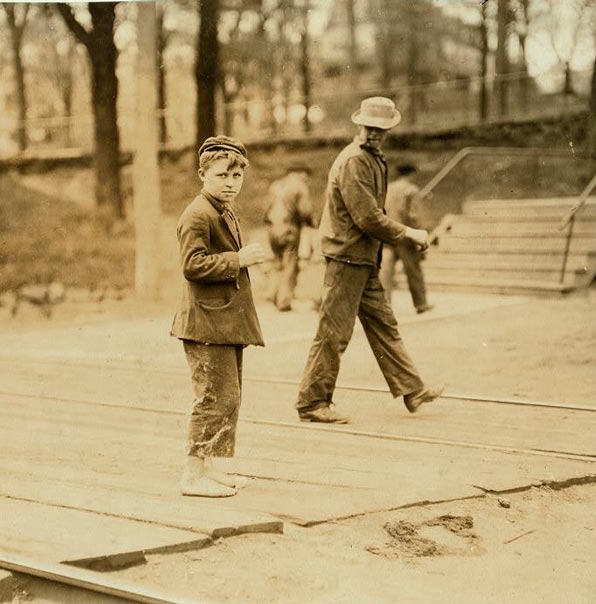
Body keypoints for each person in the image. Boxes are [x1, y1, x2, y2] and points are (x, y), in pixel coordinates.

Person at [295, 97, 443, 424]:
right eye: (370, 128)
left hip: (362, 258)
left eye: (382, 129)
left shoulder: (373, 158)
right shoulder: (354, 162)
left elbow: (374, 215)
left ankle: (412, 389)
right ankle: (312, 402)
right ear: (359, 125)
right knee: (334, 332)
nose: (375, 134)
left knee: (384, 324)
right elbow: (368, 218)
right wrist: (409, 233)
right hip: (346, 257)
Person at [170, 135, 267, 497]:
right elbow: (192, 266)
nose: (230, 183)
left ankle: (208, 466)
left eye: (236, 176)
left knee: (229, 395)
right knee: (214, 397)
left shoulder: (221, 210)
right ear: (202, 175)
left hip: (222, 320)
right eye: (222, 176)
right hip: (206, 323)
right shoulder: (197, 214)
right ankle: (192, 474)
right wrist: (238, 260)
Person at [379, 162, 433, 314]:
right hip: (406, 236)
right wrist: (419, 234)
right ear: (411, 174)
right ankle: (421, 303)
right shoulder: (411, 190)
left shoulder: (388, 188)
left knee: (385, 271)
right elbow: (413, 216)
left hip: (388, 234)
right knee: (413, 271)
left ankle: (385, 305)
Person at [264, 164, 314, 311]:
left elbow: (266, 209)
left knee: (277, 262)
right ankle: (284, 301)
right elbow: (304, 211)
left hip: (272, 228)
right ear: (300, 173)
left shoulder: (276, 185)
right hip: (289, 228)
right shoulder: (300, 186)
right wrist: (312, 223)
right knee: (290, 264)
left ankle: (273, 294)